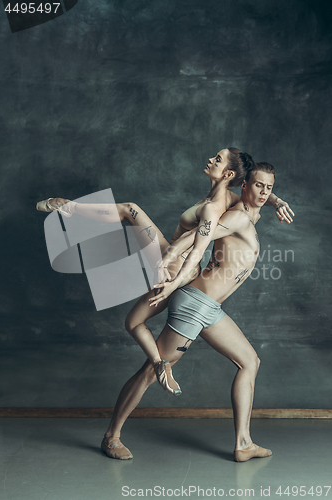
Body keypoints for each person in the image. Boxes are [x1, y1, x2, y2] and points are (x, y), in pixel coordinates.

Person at [36, 149, 293, 396]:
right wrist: (277, 200)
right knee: (133, 322)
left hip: (175, 265)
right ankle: (160, 363)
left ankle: (69, 207)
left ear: (227, 174)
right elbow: (257, 193)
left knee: (131, 210)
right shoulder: (231, 199)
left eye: (217, 159)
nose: (210, 160)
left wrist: (171, 271)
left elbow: (196, 245)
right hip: (178, 267)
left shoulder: (216, 207)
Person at [100, 161, 290, 462]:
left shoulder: (249, 211)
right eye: (259, 186)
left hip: (211, 308)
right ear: (244, 186)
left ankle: (243, 444)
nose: (265, 192)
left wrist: (278, 200)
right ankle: (111, 437)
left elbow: (263, 193)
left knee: (250, 362)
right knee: (151, 371)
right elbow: (204, 232)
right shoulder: (239, 216)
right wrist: (174, 253)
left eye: (269, 187)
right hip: (194, 304)